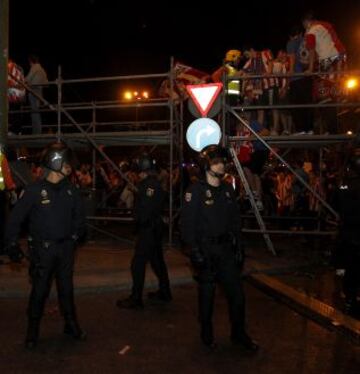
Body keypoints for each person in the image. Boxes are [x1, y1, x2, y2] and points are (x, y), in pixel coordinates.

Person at [4, 142, 86, 349]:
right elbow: (14, 220)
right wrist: (11, 244)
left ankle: (71, 324)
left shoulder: (71, 190)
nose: (70, 167)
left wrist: (75, 237)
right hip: (43, 251)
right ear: (56, 162)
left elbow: (80, 217)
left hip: (66, 249)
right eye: (67, 163)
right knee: (39, 292)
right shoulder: (34, 190)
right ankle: (32, 331)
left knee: (66, 289)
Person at [180, 144, 258, 351]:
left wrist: (239, 247)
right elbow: (187, 225)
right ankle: (206, 334)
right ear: (206, 165)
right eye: (216, 162)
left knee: (237, 296)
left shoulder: (227, 190)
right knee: (207, 297)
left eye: (222, 161)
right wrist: (194, 252)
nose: (222, 165)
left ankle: (239, 334)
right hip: (205, 251)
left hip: (225, 252)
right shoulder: (194, 191)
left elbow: (235, 222)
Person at [116, 154, 171, 309]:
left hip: (149, 229)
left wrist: (138, 224)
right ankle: (165, 292)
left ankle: (136, 298)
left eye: (138, 170)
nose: (136, 173)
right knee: (157, 262)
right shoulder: (152, 184)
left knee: (137, 264)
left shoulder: (148, 186)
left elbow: (145, 211)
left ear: (143, 170)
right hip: (154, 228)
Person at [333, 149, 360, 317]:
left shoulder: (344, 185)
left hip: (349, 230)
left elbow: (335, 203)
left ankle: (350, 297)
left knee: (351, 264)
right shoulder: (346, 185)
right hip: (353, 229)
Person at [0, 146, 17, 261]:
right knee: (1, 223)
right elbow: (6, 175)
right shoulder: (0, 156)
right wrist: (12, 189)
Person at [25, 55, 48, 135]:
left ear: (31, 61)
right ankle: (38, 131)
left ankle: (36, 132)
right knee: (37, 111)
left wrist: (22, 81)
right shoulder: (42, 69)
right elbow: (46, 83)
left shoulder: (34, 67)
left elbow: (27, 79)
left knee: (34, 112)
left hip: (33, 91)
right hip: (39, 91)